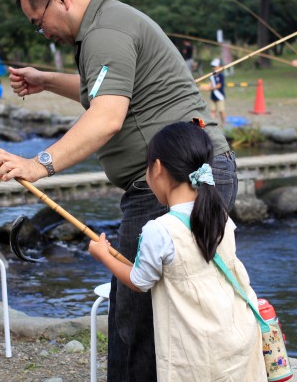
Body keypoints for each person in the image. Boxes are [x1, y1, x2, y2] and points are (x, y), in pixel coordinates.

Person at [0, 0, 238, 380]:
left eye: (38, 22)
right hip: (195, 175)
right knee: (177, 304)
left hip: (170, 183)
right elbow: (104, 86)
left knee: (134, 318)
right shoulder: (108, 24)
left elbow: (106, 117)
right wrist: (46, 79)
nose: (42, 32)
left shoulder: (104, 32)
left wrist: (36, 164)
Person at [89, 121, 266, 381]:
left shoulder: (159, 229)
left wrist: (104, 255)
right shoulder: (219, 215)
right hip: (235, 332)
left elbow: (139, 281)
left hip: (195, 347)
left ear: (157, 168)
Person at [205, 58, 226, 126]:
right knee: (212, 110)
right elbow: (210, 84)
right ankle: (212, 124)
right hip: (213, 96)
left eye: (215, 66)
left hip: (220, 96)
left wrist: (210, 88)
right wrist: (205, 87)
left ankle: (223, 122)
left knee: (221, 111)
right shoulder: (212, 76)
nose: (214, 68)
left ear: (219, 66)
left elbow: (219, 85)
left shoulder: (221, 76)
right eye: (213, 66)